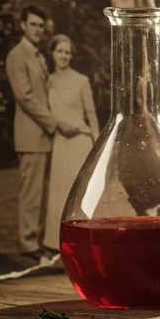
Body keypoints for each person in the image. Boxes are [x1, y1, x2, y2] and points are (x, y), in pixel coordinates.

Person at [4, 6, 81, 259]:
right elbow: (26, 98)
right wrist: (57, 123)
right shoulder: (17, 55)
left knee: (44, 193)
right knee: (32, 194)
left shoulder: (37, 56)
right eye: (33, 24)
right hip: (31, 135)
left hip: (45, 136)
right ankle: (28, 245)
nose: (37, 29)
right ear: (22, 25)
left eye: (40, 25)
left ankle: (38, 241)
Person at [42, 34, 99, 249]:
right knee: (59, 189)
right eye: (60, 51)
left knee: (78, 190)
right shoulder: (48, 81)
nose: (63, 56)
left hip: (79, 141)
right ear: (53, 53)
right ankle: (55, 242)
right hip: (59, 141)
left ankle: (84, 239)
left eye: (67, 52)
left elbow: (91, 114)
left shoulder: (81, 80)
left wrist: (97, 145)